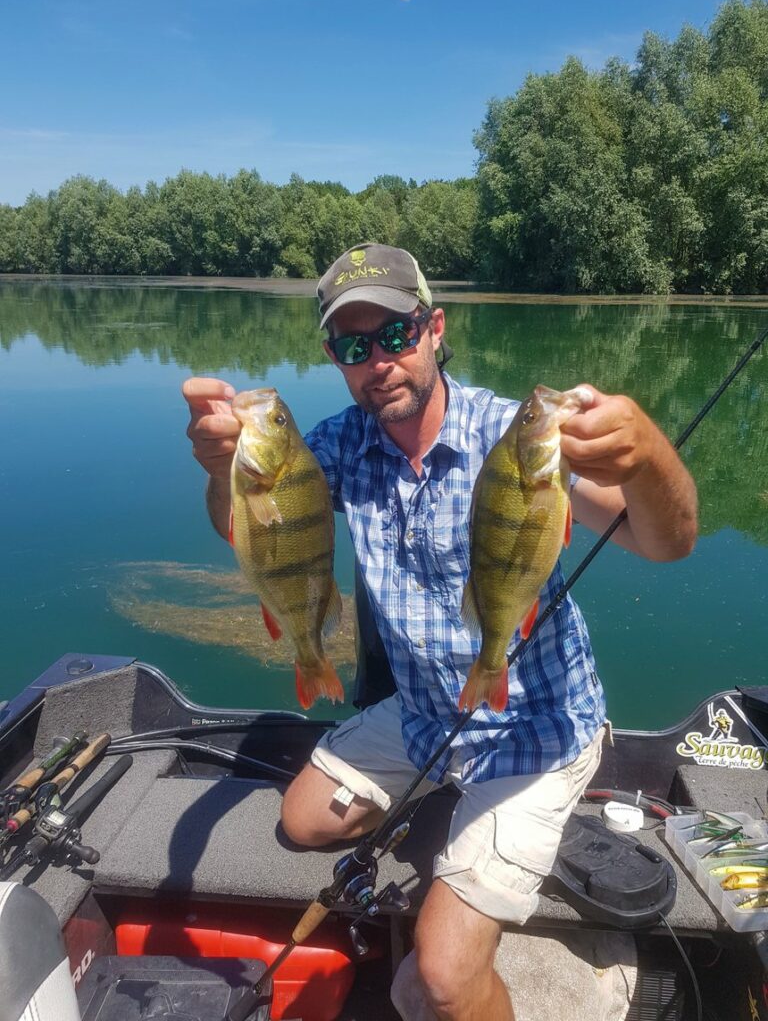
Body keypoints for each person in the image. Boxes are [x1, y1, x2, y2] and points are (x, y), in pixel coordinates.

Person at [182, 243, 698, 1021]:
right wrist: (224, 471)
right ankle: (472, 828)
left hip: (538, 726)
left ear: (434, 328)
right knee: (301, 821)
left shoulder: (516, 438)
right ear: (336, 359)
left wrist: (648, 455)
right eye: (354, 347)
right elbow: (247, 527)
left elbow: (669, 540)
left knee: (447, 976)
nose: (378, 360)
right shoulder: (333, 447)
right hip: (427, 712)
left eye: (395, 333)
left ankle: (521, 876)